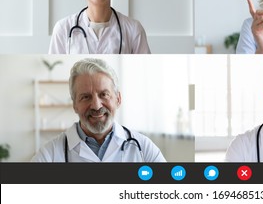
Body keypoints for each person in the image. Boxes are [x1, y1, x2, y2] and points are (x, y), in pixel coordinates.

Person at [31, 58, 165, 162]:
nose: (96, 106)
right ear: (75, 105)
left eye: (104, 95)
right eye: (85, 97)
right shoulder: (49, 155)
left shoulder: (143, 148)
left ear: (118, 99)